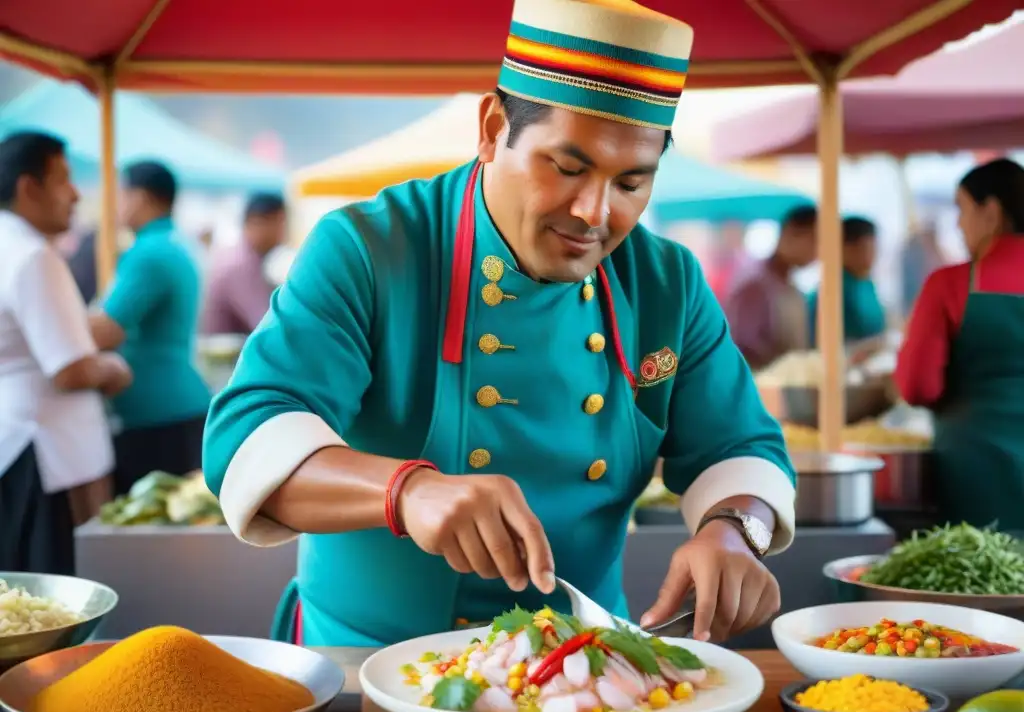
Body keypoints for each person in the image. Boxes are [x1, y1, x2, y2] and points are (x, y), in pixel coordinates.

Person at [203, 0, 796, 648]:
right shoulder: (371, 249)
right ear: (491, 129)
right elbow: (247, 435)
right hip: (368, 658)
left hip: (584, 664)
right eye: (567, 168)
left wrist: (735, 530)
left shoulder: (666, 283)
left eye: (630, 184)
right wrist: (406, 491)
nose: (594, 213)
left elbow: (739, 445)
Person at [0, 131, 130, 574]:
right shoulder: (32, 256)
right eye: (63, 179)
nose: (75, 194)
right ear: (29, 187)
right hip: (43, 454)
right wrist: (113, 368)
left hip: (22, 445)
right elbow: (70, 369)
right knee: (54, 588)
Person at [895, 157, 1024, 529]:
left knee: (978, 563)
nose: (958, 223)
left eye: (962, 209)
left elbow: (917, 387)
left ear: (992, 212)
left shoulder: (950, 285)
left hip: (975, 472)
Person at [89, 161, 211, 495]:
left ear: (139, 197)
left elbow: (105, 331)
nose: (115, 205)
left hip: (159, 415)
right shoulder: (174, 244)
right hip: (175, 407)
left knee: (159, 520)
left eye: (120, 194)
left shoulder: (149, 254)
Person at [723, 205, 817, 370]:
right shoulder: (754, 286)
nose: (818, 252)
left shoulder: (791, 286)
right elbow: (741, 349)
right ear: (790, 234)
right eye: (814, 241)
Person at [202, 193, 286, 335]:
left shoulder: (246, 257)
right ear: (256, 222)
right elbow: (265, 324)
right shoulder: (239, 264)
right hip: (225, 347)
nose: (282, 231)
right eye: (279, 223)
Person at [807, 216, 886, 346]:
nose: (872, 256)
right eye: (864, 249)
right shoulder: (829, 291)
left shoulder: (866, 284)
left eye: (874, 249)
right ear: (843, 248)